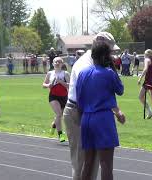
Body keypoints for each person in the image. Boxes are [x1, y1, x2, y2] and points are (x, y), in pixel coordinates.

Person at [63, 31, 120, 180]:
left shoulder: (91, 64)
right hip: (81, 111)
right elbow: (109, 91)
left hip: (84, 112)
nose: (111, 54)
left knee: (90, 163)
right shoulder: (87, 65)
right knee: (83, 163)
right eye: (109, 50)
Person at [76, 41, 125, 180]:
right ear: (106, 56)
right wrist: (112, 67)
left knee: (88, 163)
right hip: (103, 119)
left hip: (86, 118)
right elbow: (120, 90)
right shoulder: (108, 72)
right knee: (106, 164)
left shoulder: (83, 73)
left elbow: (79, 99)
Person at [42, 57, 70, 142]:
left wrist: (61, 81)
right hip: (53, 96)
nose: (57, 63)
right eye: (56, 62)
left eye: (59, 62)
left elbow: (70, 85)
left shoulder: (65, 73)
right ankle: (60, 135)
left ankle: (54, 125)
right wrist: (48, 85)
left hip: (64, 97)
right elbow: (43, 84)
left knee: (59, 115)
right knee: (58, 114)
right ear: (53, 64)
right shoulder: (50, 73)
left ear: (62, 64)